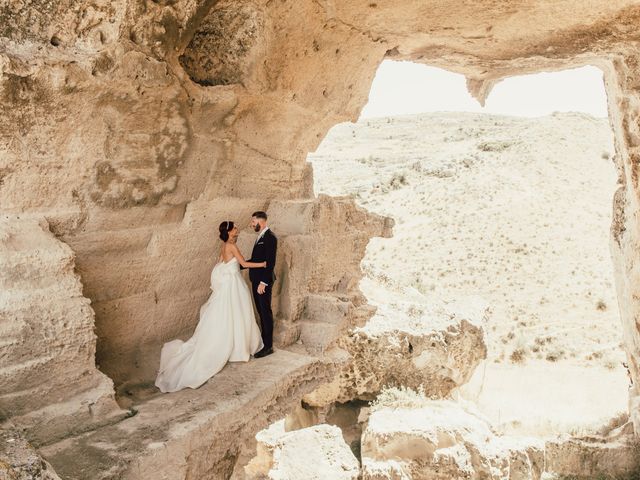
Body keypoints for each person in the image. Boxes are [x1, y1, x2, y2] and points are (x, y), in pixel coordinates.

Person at [155, 221, 265, 393]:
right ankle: (237, 347)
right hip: (234, 286)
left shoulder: (224, 246)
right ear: (229, 232)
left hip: (230, 285)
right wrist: (263, 264)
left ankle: (236, 345)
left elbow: (220, 264)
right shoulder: (231, 246)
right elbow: (244, 264)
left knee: (232, 315)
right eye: (234, 228)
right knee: (238, 315)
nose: (237, 229)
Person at [244, 211, 277, 358]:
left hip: (262, 282)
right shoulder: (260, 237)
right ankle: (264, 342)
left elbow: (270, 263)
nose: (252, 224)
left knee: (265, 312)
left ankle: (268, 346)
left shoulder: (270, 238)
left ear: (261, 221)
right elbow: (256, 259)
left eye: (253, 222)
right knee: (261, 312)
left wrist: (263, 282)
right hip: (256, 280)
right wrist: (237, 265)